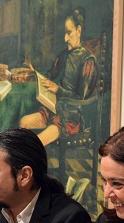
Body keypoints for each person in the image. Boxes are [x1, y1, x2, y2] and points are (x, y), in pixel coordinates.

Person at [19, 7, 98, 146]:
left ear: (78, 31)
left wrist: (57, 89)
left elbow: (81, 98)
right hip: (53, 110)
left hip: (70, 118)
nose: (65, 38)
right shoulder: (63, 55)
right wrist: (34, 73)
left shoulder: (88, 61)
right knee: (23, 122)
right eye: (64, 34)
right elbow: (50, 75)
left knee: (37, 142)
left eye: (69, 33)